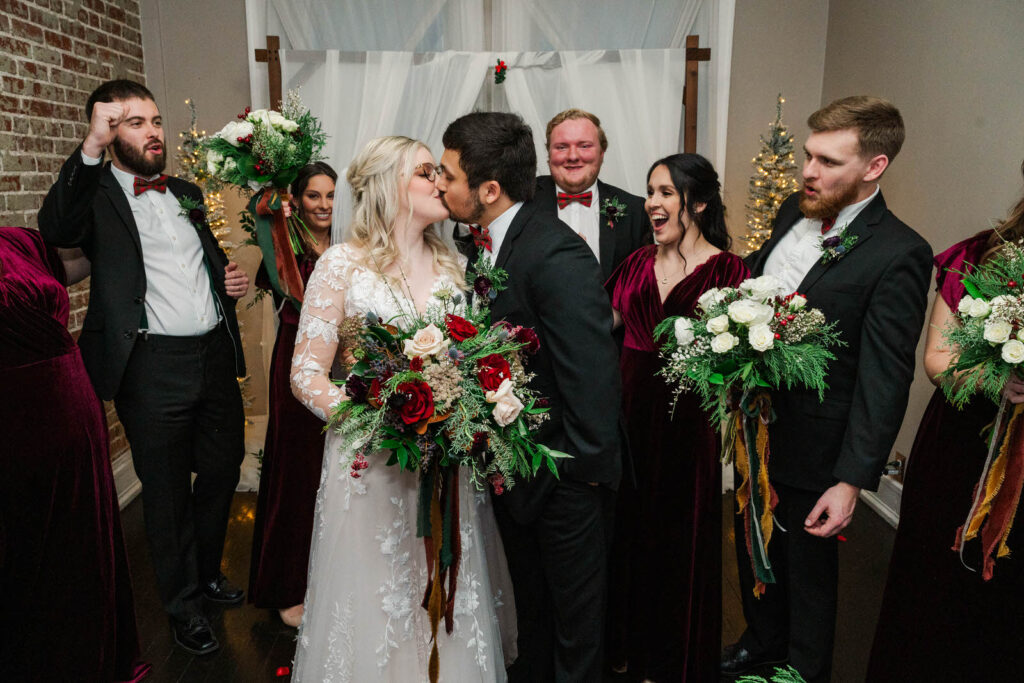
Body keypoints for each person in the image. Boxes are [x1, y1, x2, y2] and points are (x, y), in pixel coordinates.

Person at [721, 96, 933, 682]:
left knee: (808, 576)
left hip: (820, 448)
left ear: (874, 167)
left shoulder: (900, 253)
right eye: (809, 156)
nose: (809, 172)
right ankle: (759, 644)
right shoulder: (795, 208)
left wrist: (849, 483)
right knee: (753, 545)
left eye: (829, 162)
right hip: (757, 427)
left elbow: (885, 377)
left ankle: (803, 670)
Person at [289, 136, 515, 681]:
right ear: (391, 185)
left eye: (439, 171)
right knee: (378, 594)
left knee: (443, 585)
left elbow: (478, 357)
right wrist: (375, 419)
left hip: (446, 465)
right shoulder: (342, 264)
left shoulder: (458, 265)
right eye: (425, 171)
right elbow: (306, 374)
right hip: (373, 467)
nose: (441, 181)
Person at [38, 79, 250, 657]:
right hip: (149, 366)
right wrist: (89, 145)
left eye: (155, 119)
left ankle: (207, 571)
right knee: (163, 492)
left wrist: (226, 281)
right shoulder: (96, 194)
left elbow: (194, 264)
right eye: (135, 122)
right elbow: (55, 230)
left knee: (223, 469)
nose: (154, 130)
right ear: (108, 133)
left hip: (210, 356)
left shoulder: (184, 189)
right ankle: (182, 605)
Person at [437, 112, 623, 683]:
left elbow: (592, 373)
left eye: (448, 176)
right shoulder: (484, 246)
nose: (440, 185)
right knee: (534, 616)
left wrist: (584, 476)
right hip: (519, 473)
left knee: (575, 631)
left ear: (488, 190)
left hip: (565, 478)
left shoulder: (554, 253)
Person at [866, 166, 1024, 681]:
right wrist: (995, 382)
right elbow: (937, 361)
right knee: (940, 593)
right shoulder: (979, 256)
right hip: (962, 450)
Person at [605, 154, 748, 681]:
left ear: (699, 202)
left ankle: (671, 658)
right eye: (650, 192)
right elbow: (602, 327)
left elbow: (738, 362)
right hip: (625, 417)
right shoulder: (637, 263)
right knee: (626, 533)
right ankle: (622, 648)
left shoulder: (731, 271)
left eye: (666, 192)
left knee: (677, 538)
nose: (652, 203)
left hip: (689, 424)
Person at [0, 226, 149, 681]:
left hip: (71, 413)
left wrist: (115, 232)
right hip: (13, 424)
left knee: (76, 544)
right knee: (20, 547)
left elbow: (71, 267)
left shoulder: (14, 241)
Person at [248, 162, 337, 627]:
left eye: (329, 196)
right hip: (296, 361)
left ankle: (335, 579)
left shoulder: (345, 246)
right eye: (314, 196)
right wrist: (271, 215)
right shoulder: (287, 244)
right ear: (297, 200)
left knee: (337, 472)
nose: (323, 206)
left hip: (342, 362)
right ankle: (288, 586)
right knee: (297, 471)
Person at [535, 108, 650, 281]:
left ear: (602, 153)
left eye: (584, 146)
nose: (573, 156)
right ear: (549, 154)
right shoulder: (522, 200)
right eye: (561, 147)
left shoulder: (635, 210)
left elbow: (642, 285)